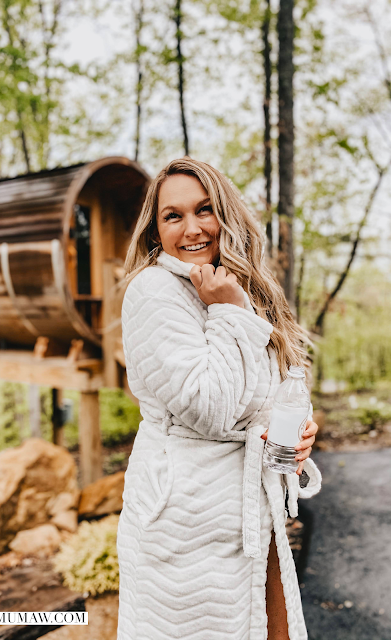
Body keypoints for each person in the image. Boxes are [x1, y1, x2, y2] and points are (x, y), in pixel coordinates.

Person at [116, 157, 322, 640]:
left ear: (225, 214)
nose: (192, 228)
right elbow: (209, 408)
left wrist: (299, 428)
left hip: (253, 511)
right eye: (173, 215)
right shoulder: (153, 293)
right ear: (156, 228)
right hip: (185, 523)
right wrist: (229, 313)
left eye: (204, 210)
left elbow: (281, 384)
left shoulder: (244, 285)